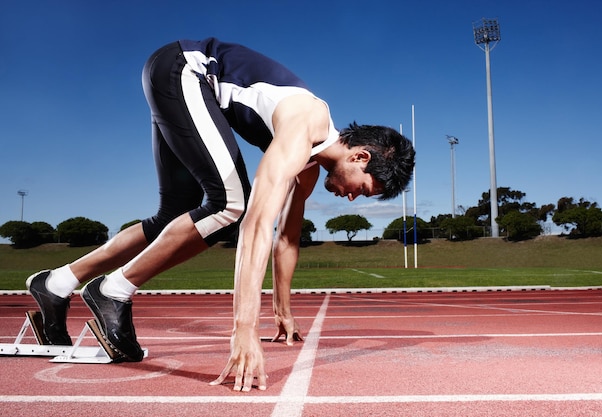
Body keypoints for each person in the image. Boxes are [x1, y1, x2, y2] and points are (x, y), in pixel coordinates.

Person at [26, 37, 415, 391]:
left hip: (179, 80)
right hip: (185, 70)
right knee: (231, 204)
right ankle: (114, 291)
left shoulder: (310, 169)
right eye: (362, 188)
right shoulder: (305, 123)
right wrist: (243, 329)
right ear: (359, 156)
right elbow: (257, 224)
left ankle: (58, 283)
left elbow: (287, 238)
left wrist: (283, 311)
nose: (351, 198)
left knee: (174, 217)